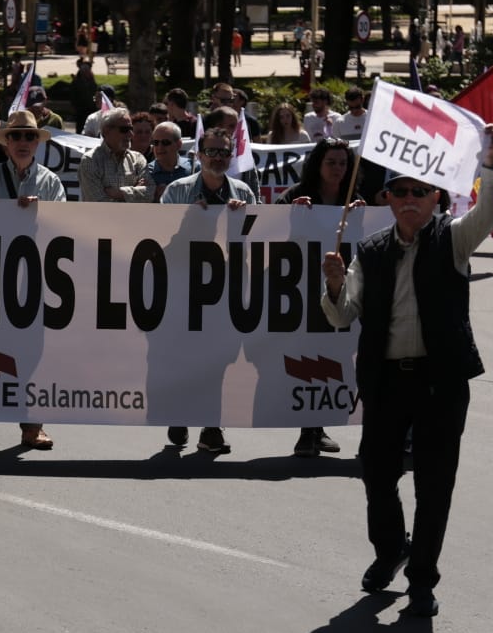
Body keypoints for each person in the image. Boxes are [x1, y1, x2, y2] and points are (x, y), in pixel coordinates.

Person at [320, 127, 493, 617]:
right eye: (399, 192)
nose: (408, 200)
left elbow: (488, 213)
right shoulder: (371, 251)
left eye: (418, 192)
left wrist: (490, 160)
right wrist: (335, 286)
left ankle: (422, 578)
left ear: (435, 198)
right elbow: (342, 316)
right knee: (376, 474)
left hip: (440, 381)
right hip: (386, 380)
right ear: (387, 198)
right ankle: (390, 550)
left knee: (434, 481)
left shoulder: (453, 238)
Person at [0, 110, 63, 450]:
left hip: (33, 282)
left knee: (32, 353)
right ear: (6, 142)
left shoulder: (50, 182)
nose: (23, 142)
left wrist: (45, 212)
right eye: (17, 136)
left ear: (37, 143)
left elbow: (64, 228)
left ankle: (32, 425)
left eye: (29, 136)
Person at [160, 126, 259, 455]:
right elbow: (159, 241)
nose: (218, 158)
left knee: (218, 360)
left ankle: (211, 426)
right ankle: (180, 413)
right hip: (184, 289)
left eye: (224, 152)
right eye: (212, 151)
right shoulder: (177, 191)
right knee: (183, 357)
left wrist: (238, 223)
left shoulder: (244, 193)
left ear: (231, 157)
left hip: (226, 291)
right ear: (199, 155)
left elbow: (255, 245)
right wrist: (189, 222)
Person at [276, 138, 366, 458]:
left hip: (337, 295)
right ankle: (307, 431)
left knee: (332, 357)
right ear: (318, 164)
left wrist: (362, 215)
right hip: (298, 295)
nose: (338, 169)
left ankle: (319, 427)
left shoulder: (354, 200)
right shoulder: (295, 197)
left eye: (343, 163)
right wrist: (288, 213)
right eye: (332, 162)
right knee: (306, 357)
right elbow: (269, 233)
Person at [78, 107, 153, 202]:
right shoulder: (90, 160)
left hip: (134, 217)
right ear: (106, 131)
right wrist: (135, 193)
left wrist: (119, 193)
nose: (131, 134)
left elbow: (150, 193)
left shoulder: (138, 159)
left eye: (131, 129)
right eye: (124, 129)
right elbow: (98, 203)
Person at [145, 120, 194, 202]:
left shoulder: (194, 168)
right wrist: (154, 197)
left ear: (179, 144)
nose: (160, 147)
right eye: (156, 143)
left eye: (165, 142)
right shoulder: (146, 173)